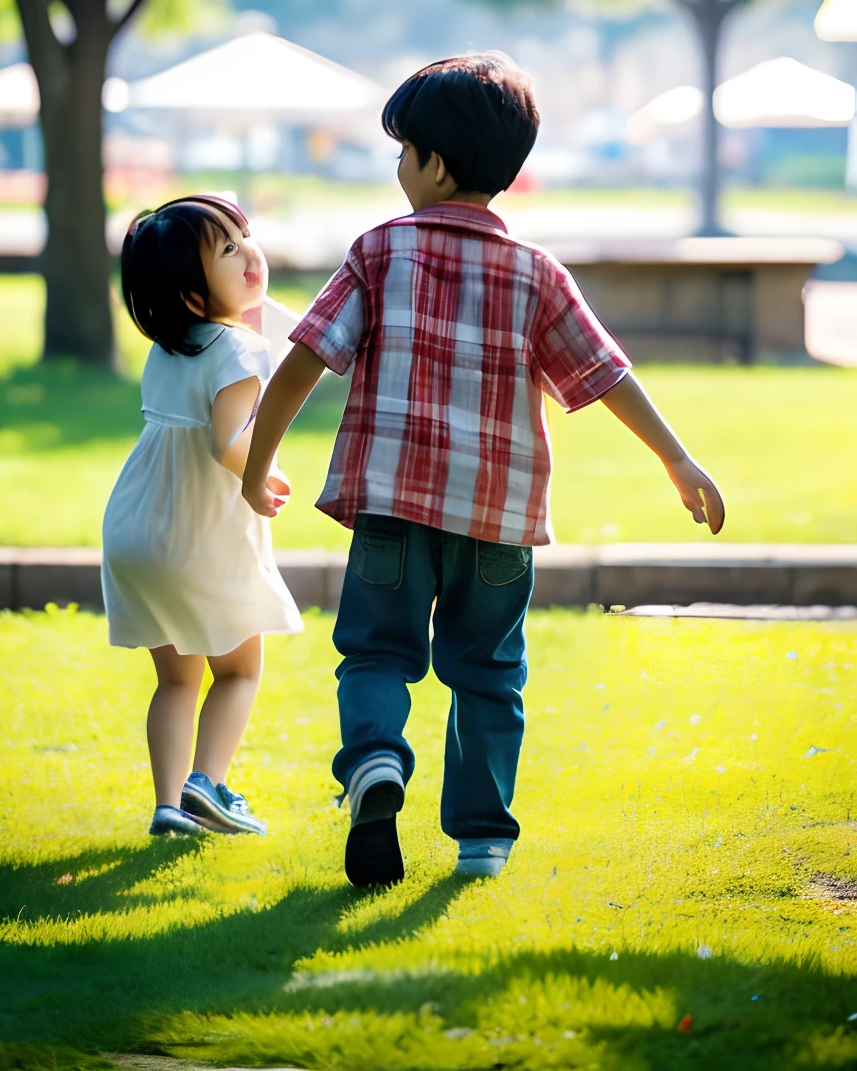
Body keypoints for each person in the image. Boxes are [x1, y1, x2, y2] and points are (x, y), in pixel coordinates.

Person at [243, 53, 724, 888]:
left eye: (403, 152)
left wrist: (259, 463)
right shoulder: (537, 273)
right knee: (489, 673)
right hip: (499, 518)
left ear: (434, 164)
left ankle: (376, 765)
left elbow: (303, 361)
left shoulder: (378, 253)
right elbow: (606, 373)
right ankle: (480, 840)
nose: (397, 168)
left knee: (375, 656)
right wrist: (677, 459)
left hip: (393, 507)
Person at [103, 195, 302, 841]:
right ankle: (207, 785)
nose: (250, 254)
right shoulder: (240, 350)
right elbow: (224, 441)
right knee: (240, 667)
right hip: (196, 530)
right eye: (228, 251)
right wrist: (255, 480)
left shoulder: (171, 347)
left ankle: (167, 805)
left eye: (245, 237)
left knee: (176, 677)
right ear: (192, 295)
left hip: (136, 526)